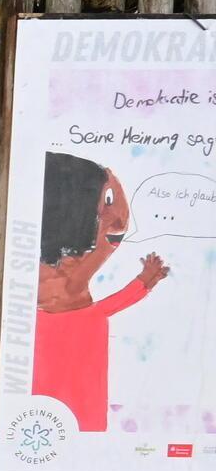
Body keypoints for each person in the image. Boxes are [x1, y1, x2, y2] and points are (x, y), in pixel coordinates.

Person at [33, 151, 169, 433]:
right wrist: (142, 283)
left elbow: (99, 308)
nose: (119, 221)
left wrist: (142, 283)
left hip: (84, 403)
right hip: (47, 408)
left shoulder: (78, 302)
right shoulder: (55, 293)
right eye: (107, 199)